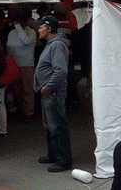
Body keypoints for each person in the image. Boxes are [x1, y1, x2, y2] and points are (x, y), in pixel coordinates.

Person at [34, 16, 72, 172]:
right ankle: (54, 154)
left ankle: (63, 160)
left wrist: (49, 86)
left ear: (49, 29)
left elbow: (61, 70)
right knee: (50, 125)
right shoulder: (51, 44)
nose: (38, 30)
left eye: (41, 27)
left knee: (57, 125)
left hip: (54, 92)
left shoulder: (56, 45)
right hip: (49, 92)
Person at [7, 5, 37, 122]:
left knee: (27, 90)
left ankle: (28, 112)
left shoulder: (32, 33)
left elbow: (26, 41)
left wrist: (19, 27)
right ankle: (19, 110)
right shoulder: (12, 33)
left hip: (27, 64)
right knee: (16, 90)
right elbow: (8, 48)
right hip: (14, 64)